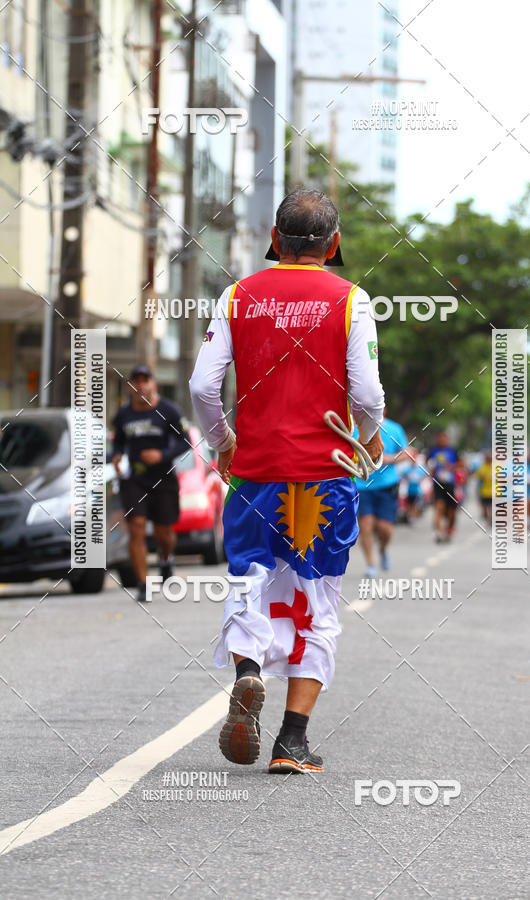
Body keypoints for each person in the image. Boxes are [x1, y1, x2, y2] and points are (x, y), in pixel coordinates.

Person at [189, 189, 384, 774]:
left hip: (256, 476)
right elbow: (367, 393)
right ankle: (291, 742)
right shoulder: (351, 299)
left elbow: (202, 387)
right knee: (317, 598)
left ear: (274, 239)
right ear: (334, 243)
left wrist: (224, 443)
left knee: (249, 581)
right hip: (324, 478)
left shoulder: (236, 296)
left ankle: (249, 672)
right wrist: (369, 435)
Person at [112, 365, 190, 602]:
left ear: (153, 384)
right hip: (135, 479)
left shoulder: (169, 410)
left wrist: (162, 455)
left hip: (163, 479)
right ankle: (143, 584)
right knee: (136, 526)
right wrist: (116, 455)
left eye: (145, 380)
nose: (141, 385)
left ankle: (166, 559)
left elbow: (185, 441)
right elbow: (118, 442)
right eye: (136, 381)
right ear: (130, 387)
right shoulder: (123, 415)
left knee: (163, 533)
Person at [355, 408, 408, 576]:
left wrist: (390, 459)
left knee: (385, 528)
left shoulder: (394, 428)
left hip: (387, 485)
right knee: (366, 526)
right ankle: (370, 564)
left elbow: (407, 453)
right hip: (362, 485)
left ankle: (383, 549)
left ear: (383, 409)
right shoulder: (355, 427)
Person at [427, 432, 459, 542]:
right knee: (438, 507)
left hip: (450, 484)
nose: (442, 440)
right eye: (440, 438)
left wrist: (451, 466)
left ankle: (449, 530)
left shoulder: (453, 451)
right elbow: (429, 464)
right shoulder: (433, 451)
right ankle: (438, 532)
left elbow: (461, 464)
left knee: (451, 510)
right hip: (438, 484)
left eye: (444, 438)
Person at [477, 449, 494, 524]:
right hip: (484, 491)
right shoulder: (482, 467)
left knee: (492, 507)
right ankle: (487, 518)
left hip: (493, 491)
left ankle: (491, 519)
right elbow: (478, 475)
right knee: (484, 508)